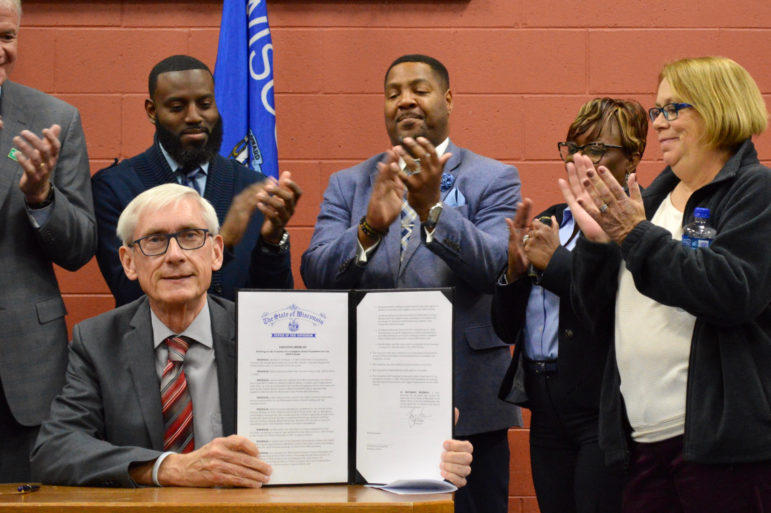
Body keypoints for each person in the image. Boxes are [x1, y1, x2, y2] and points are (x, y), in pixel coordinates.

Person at [30, 183, 473, 488]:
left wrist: (418, 452)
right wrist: (168, 469)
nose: (175, 256)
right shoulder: (96, 339)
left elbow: (341, 431)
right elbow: (55, 449)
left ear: (216, 251)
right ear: (128, 262)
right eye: (155, 242)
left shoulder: (268, 332)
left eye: (190, 237)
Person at [301, 54, 521, 513]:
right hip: (369, 402)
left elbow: (495, 270)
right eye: (393, 93)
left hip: (468, 400)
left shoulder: (493, 178)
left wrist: (433, 211)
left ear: (448, 98)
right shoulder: (348, 184)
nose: (405, 101)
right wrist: (369, 227)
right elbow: (316, 274)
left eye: (419, 90)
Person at [559, 57, 771, 513]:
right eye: (658, 111)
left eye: (674, 109)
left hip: (722, 452)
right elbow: (597, 319)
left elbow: (733, 290)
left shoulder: (755, 191)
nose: (659, 124)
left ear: (719, 109)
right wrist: (596, 247)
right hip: (642, 446)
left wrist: (634, 236)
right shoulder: (649, 201)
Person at [492, 98, 648, 513]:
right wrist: (513, 272)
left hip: (603, 410)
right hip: (545, 407)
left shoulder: (641, 223)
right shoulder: (549, 220)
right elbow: (505, 330)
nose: (581, 159)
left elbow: (612, 305)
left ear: (633, 157)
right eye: (574, 147)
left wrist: (555, 264)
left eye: (597, 148)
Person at [92, 55, 300, 307]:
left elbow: (272, 303)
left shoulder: (251, 186)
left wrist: (272, 240)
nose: (194, 117)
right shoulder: (115, 187)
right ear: (151, 111)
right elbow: (129, 293)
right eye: (177, 107)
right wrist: (226, 241)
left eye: (204, 104)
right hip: (154, 344)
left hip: (234, 343)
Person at [0, 0, 96, 482]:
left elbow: (80, 248)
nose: (0, 50)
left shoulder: (52, 119)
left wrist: (42, 198)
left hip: (21, 375)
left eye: (7, 37)